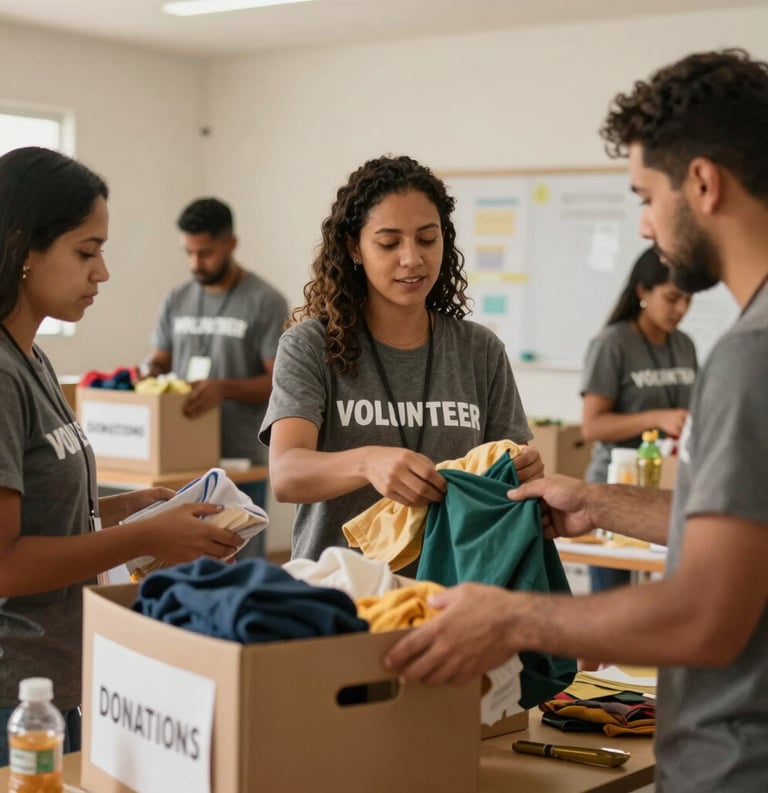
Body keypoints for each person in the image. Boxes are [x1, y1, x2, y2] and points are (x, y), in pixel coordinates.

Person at [386, 49, 768, 793]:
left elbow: (704, 616)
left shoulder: (747, 357)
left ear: (703, 183)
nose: (647, 224)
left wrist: (511, 619)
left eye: (645, 195)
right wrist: (602, 501)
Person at [0, 147, 241, 766]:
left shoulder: (34, 358)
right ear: (24, 248)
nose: (102, 272)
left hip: (61, 670)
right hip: (12, 689)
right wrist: (147, 536)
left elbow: (40, 511)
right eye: (86, 252)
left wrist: (124, 509)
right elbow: (5, 564)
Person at [259, 155, 542, 562]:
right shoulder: (309, 346)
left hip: (454, 590)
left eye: (428, 239)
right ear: (354, 247)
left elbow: (507, 475)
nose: (412, 258)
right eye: (389, 243)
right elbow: (286, 474)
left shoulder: (480, 350)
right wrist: (367, 463)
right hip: (338, 595)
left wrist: (524, 472)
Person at [142, 198, 288, 559]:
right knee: (186, 564)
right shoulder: (176, 298)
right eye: (189, 253)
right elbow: (157, 360)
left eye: (205, 253)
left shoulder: (265, 301)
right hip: (183, 457)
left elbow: (278, 383)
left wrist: (223, 389)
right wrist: (148, 375)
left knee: (241, 561)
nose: (196, 263)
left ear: (231, 244)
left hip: (241, 460)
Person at [582, 246, 697, 590]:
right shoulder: (612, 343)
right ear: (643, 291)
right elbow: (592, 425)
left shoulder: (685, 344)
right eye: (673, 298)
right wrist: (658, 418)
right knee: (611, 605)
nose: (681, 310)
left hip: (666, 490)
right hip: (615, 488)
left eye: (688, 301)